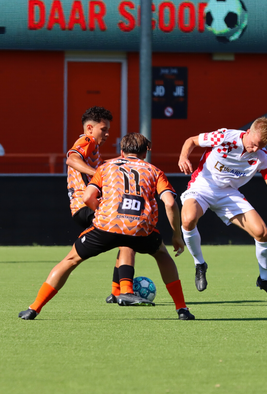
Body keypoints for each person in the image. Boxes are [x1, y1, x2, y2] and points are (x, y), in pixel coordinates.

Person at [19, 133, 194, 320]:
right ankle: (182, 309)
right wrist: (176, 235)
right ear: (146, 152)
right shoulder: (154, 171)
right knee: (162, 255)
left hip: (107, 226)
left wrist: (102, 212)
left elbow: (87, 197)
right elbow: (169, 203)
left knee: (70, 261)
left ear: (121, 151)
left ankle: (34, 308)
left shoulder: (105, 168)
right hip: (140, 228)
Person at [178, 117, 267, 305]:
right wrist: (183, 157)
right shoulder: (224, 137)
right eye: (254, 144)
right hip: (202, 187)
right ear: (249, 131)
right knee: (188, 219)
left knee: (262, 233)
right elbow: (191, 141)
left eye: (261, 146)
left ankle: (264, 279)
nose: (255, 149)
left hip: (229, 195)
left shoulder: (261, 155)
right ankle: (199, 263)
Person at [66, 106, 134, 304]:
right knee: (128, 234)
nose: (107, 133)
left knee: (124, 238)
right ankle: (126, 292)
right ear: (89, 128)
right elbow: (71, 159)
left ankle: (117, 292)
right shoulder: (86, 141)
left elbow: (104, 168)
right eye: (103, 129)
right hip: (85, 205)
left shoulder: (94, 150)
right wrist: (97, 176)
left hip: (84, 207)